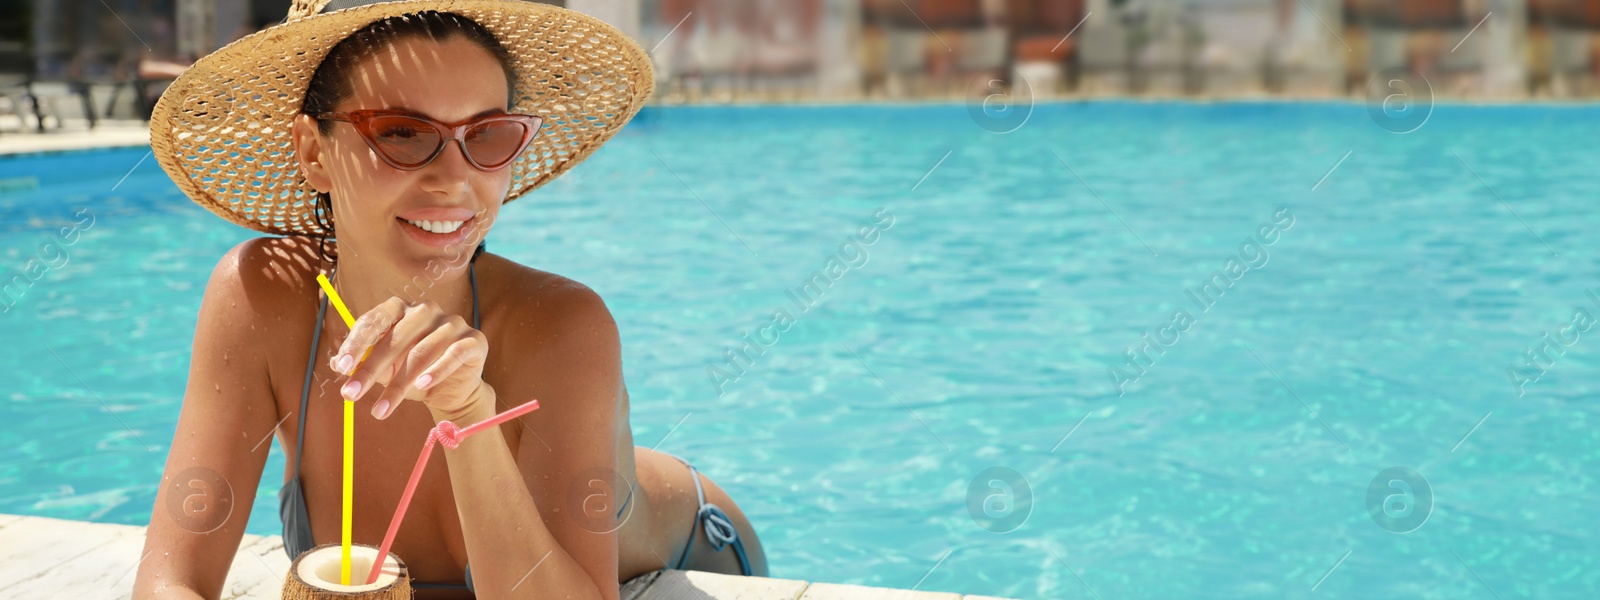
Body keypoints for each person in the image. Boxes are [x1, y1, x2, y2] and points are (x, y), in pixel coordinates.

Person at [132, 1, 766, 598]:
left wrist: (468, 413)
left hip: (694, 552)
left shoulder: (564, 325)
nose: (454, 178)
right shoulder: (261, 297)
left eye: (487, 135)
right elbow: (169, 580)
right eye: (403, 133)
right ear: (313, 152)